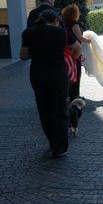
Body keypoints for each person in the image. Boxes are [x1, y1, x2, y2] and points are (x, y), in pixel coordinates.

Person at [20, 10, 81, 158]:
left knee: (44, 109)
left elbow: (23, 55)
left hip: (38, 74)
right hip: (58, 73)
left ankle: (52, 141)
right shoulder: (62, 32)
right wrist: (68, 59)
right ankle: (60, 147)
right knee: (59, 108)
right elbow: (78, 48)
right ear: (55, 20)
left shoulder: (28, 32)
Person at [61, 4, 91, 101]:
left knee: (69, 73)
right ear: (75, 14)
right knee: (77, 73)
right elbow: (80, 38)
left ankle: (69, 94)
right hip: (75, 51)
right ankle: (75, 95)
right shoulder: (75, 24)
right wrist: (90, 40)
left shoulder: (64, 23)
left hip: (67, 51)